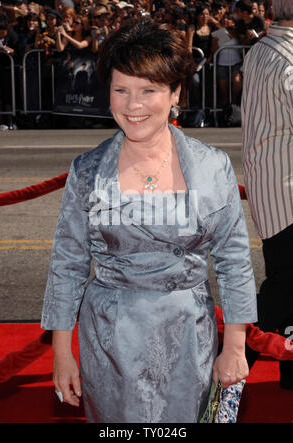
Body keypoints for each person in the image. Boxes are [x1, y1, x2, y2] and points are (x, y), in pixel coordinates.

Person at [41, 19, 257, 423]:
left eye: (148, 91)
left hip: (188, 336)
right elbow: (67, 264)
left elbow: (234, 260)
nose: (132, 105)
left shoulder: (213, 167)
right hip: (109, 338)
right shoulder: (87, 170)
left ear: (175, 93)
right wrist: (61, 353)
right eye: (120, 90)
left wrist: (236, 346)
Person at [241, 0, 293, 390]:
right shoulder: (288, 62)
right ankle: (229, 364)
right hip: (288, 194)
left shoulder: (262, 49)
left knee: (285, 284)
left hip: (272, 189)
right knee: (281, 289)